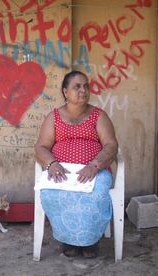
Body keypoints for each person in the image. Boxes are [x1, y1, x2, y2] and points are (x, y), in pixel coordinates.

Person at [34, 70, 118, 258]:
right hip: (61, 170)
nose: (83, 90)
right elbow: (41, 146)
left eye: (86, 86)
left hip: (94, 170)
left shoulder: (99, 115)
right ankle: (68, 239)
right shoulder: (54, 117)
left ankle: (90, 241)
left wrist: (94, 165)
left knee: (96, 194)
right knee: (52, 194)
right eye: (77, 86)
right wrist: (51, 164)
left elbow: (111, 145)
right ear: (65, 92)